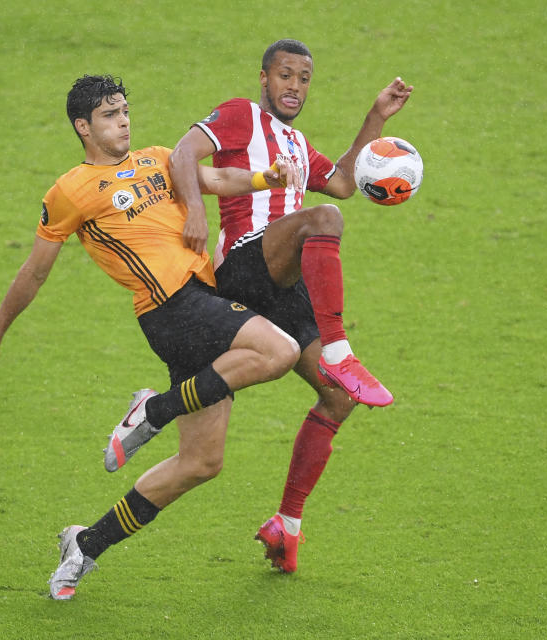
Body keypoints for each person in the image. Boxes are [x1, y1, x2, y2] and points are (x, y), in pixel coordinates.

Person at [0, 74, 302, 600]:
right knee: (279, 350)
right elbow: (34, 272)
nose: (122, 120)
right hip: (171, 308)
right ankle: (153, 410)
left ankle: (85, 545)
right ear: (83, 127)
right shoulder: (70, 190)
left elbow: (214, 180)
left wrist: (268, 178)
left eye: (124, 110)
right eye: (108, 114)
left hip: (200, 303)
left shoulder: (157, 157)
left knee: (200, 463)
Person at [169, 39, 414, 573]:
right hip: (244, 263)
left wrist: (376, 115)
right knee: (322, 221)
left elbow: (346, 182)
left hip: (284, 286)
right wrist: (196, 213)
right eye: (286, 76)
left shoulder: (299, 146)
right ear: (264, 78)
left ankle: (287, 525)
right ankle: (340, 350)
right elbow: (181, 154)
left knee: (338, 402)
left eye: (304, 78)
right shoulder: (238, 116)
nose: (295, 87)